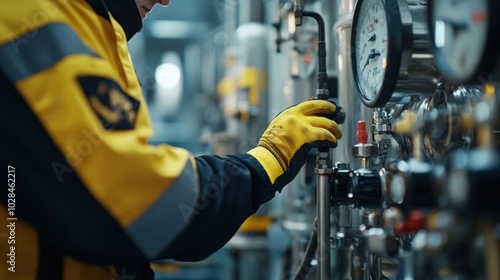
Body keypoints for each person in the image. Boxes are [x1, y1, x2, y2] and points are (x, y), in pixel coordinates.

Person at [0, 0, 342, 279]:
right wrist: (266, 162)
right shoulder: (33, 18)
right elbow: (142, 204)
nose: (166, 0)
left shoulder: (81, 23)